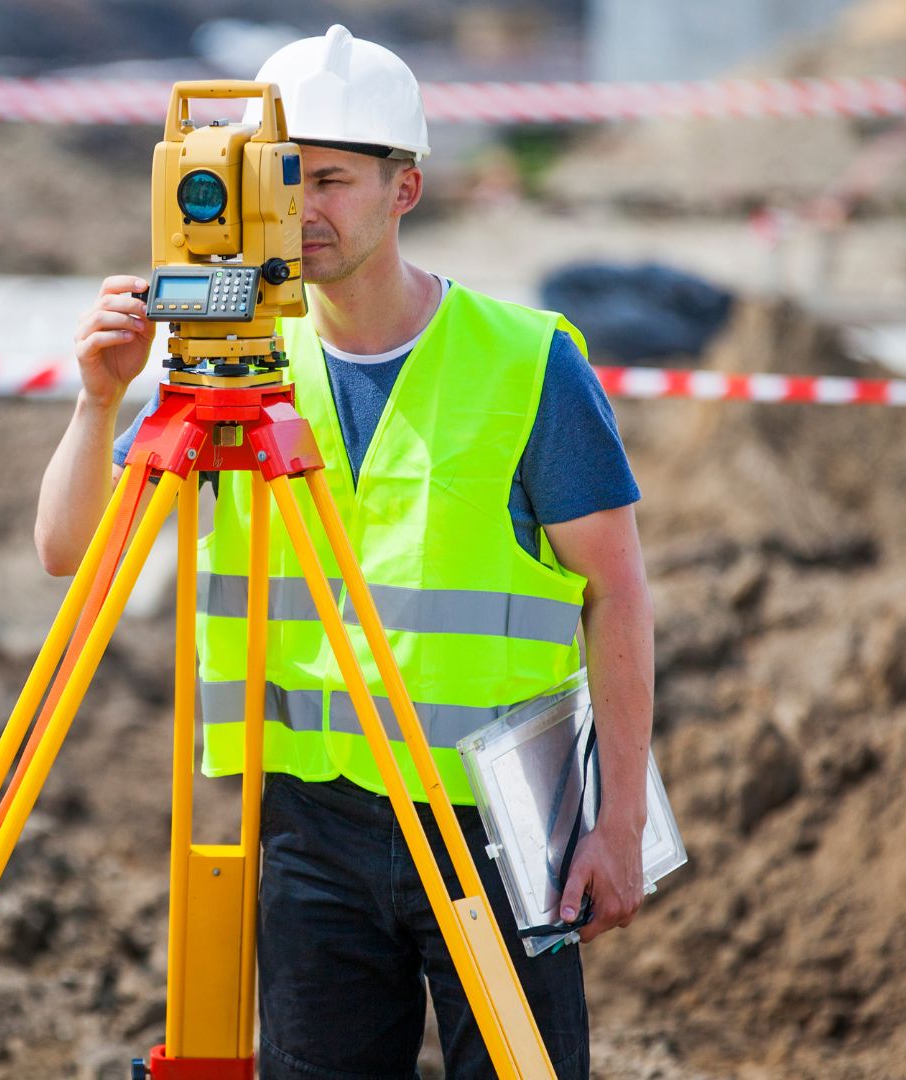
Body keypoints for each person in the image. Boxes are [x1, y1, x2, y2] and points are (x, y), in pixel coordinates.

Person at [34, 25, 653, 1080]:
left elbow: (620, 597)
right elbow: (67, 549)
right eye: (279, 180)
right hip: (310, 827)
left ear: (403, 189)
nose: (300, 212)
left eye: (329, 180)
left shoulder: (526, 362)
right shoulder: (235, 373)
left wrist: (621, 824)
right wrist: (100, 405)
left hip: (494, 820)